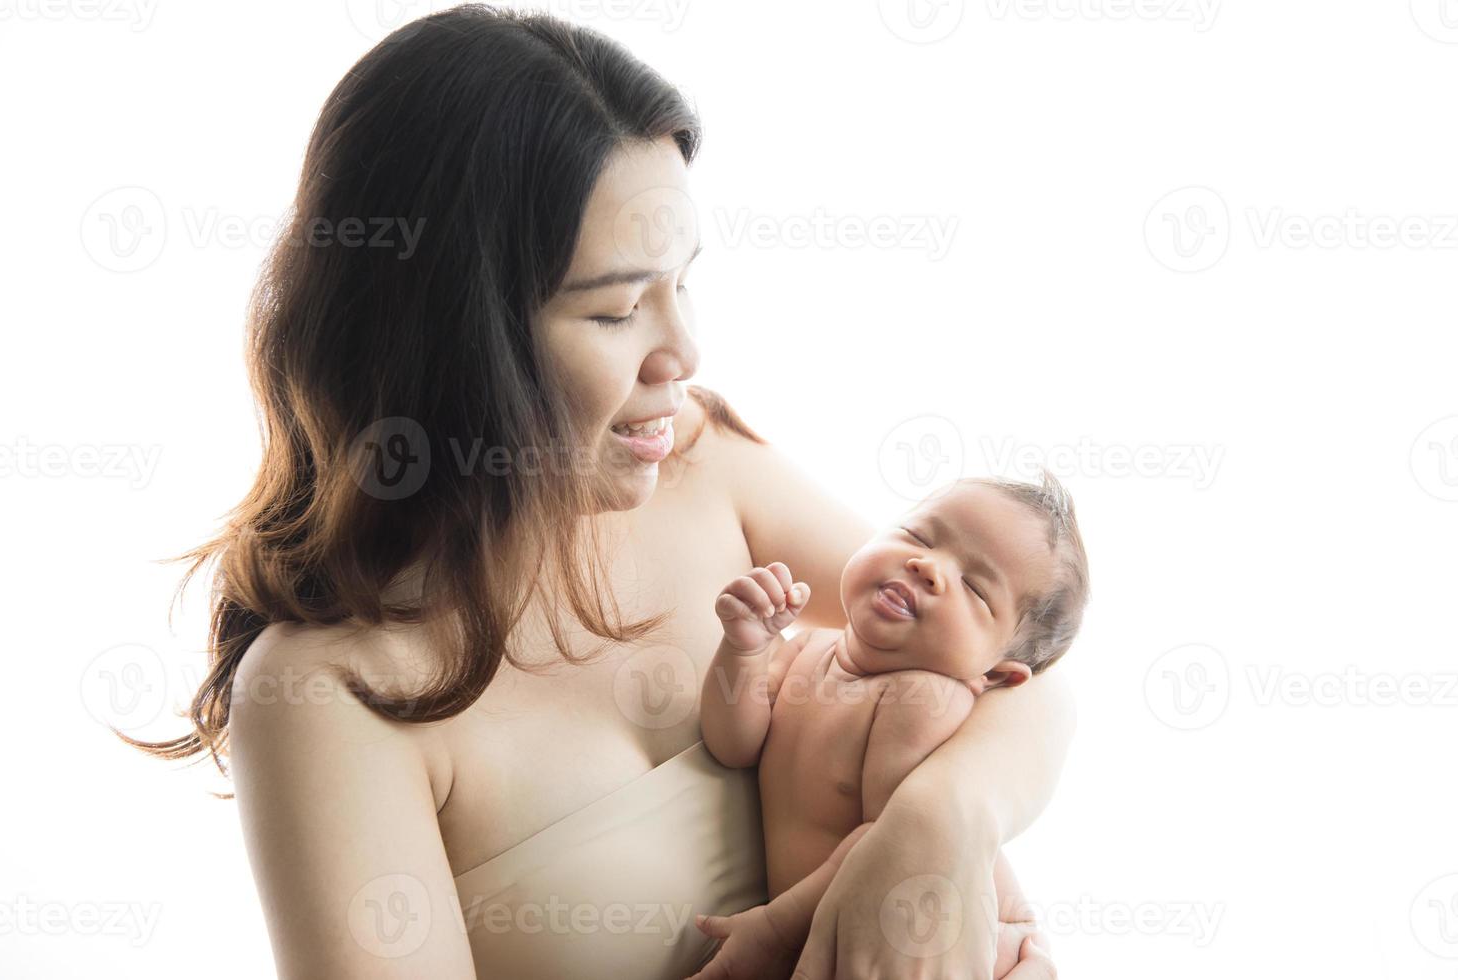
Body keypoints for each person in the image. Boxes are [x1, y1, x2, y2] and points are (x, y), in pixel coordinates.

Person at [123, 6, 1075, 978]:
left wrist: (935, 821)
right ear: (459, 335)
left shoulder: (703, 462)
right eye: (618, 306)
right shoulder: (333, 692)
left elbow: (1018, 661)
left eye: (680, 283)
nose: (683, 350)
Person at [689, 474, 1089, 979]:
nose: (928, 566)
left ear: (995, 674)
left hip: (968, 950)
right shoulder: (810, 648)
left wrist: (773, 928)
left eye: (974, 587)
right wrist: (743, 649)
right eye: (919, 536)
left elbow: (886, 848)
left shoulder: (921, 700)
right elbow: (734, 745)